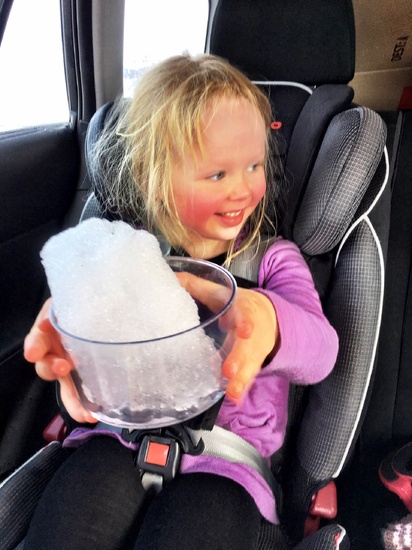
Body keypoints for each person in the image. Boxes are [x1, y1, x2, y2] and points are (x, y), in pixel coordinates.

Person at [23, 54, 339, 550]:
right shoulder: (123, 253)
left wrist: (269, 320)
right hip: (114, 438)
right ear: (154, 174)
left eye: (254, 165)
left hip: (226, 465)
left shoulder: (273, 260)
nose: (243, 188)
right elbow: (86, 355)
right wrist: (75, 369)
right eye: (217, 174)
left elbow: (322, 351)